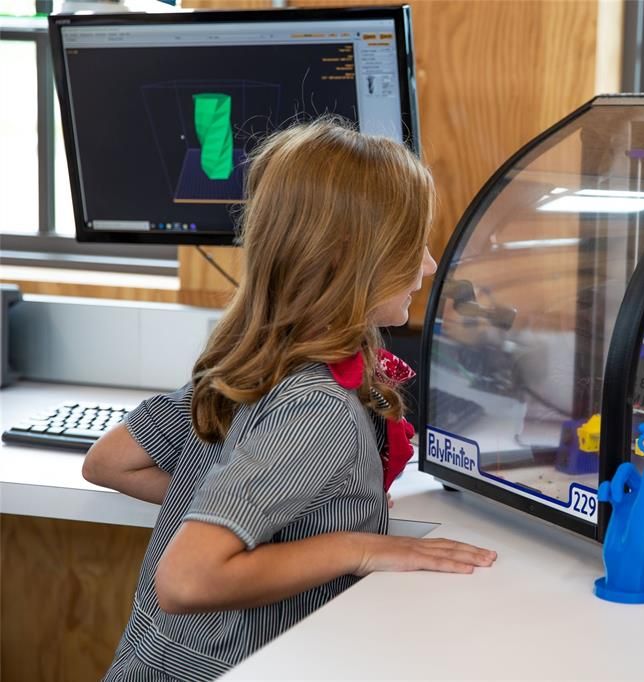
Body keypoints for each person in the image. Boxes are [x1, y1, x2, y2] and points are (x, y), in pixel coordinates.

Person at [82, 118, 497, 681]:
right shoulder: (317, 407)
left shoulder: (251, 358)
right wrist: (354, 546)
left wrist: (276, 515)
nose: (427, 264)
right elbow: (187, 579)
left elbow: (109, 460)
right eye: (411, 244)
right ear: (349, 257)